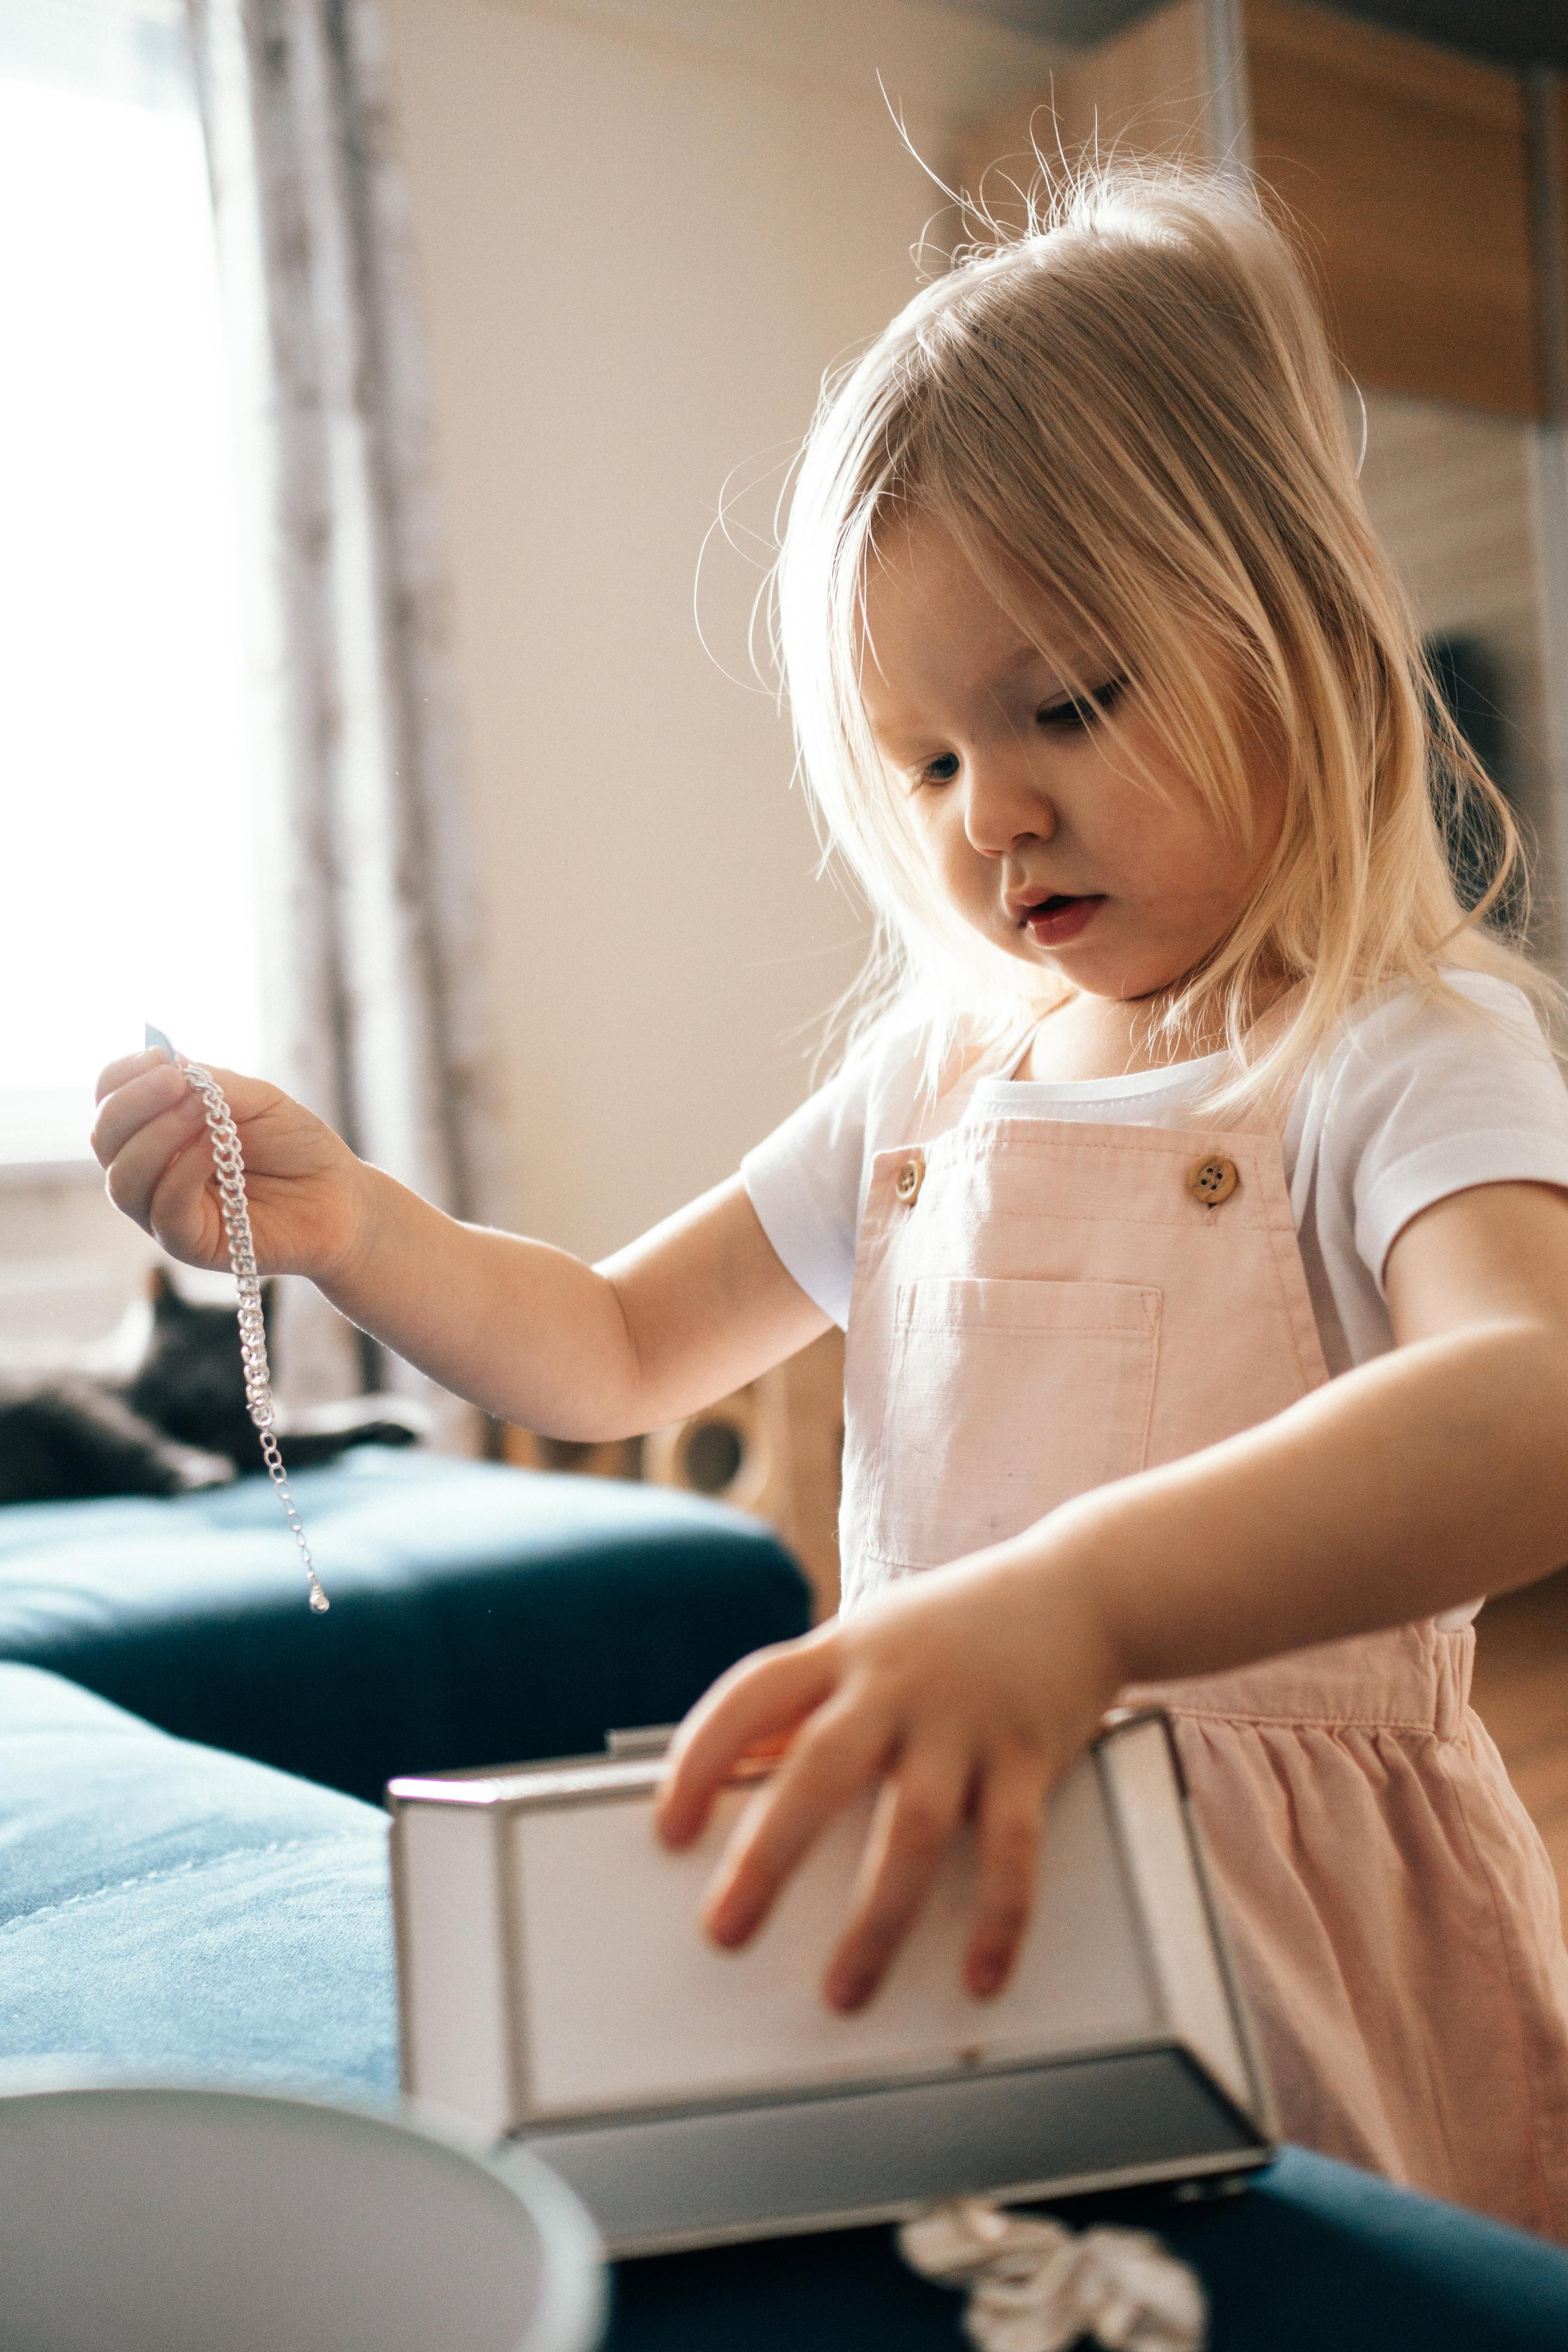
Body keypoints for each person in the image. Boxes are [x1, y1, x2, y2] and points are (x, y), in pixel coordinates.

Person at [94, 165, 1568, 2239]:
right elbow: (609, 1348)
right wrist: (357, 1230)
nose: (998, 817)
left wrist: (1077, 1607)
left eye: (1063, 705)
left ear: (1303, 636)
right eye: (928, 763)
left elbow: (1530, 1407)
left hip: (1294, 1952)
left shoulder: (1400, 1049)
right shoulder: (932, 1081)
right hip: (963, 1902)